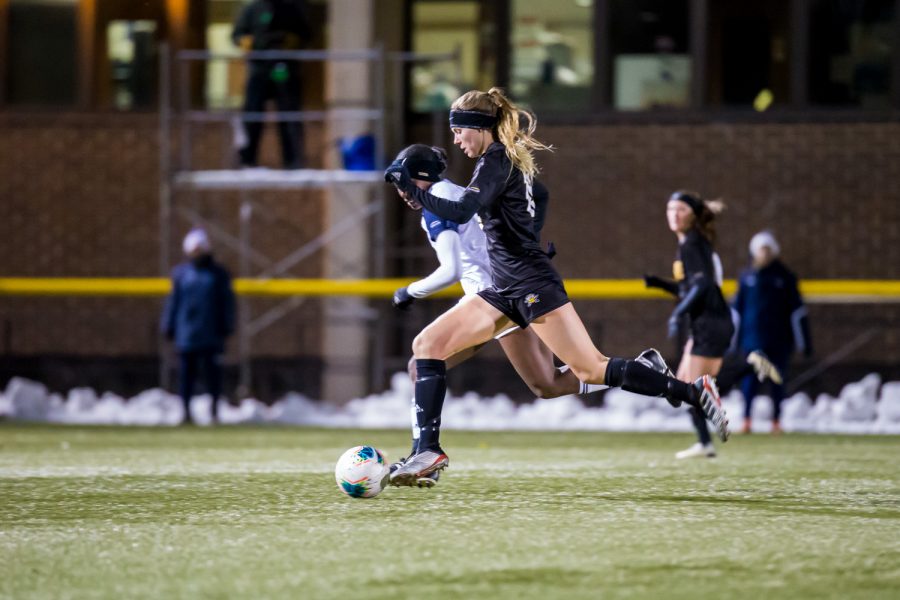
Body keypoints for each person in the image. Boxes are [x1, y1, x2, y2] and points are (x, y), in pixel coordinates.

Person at [384, 88, 729, 486]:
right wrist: (525, 233)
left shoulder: (496, 160)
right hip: (504, 286)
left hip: (530, 282)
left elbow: (463, 210)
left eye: (460, 131)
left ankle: (691, 392)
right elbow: (534, 198)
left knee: (591, 368)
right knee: (428, 347)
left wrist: (413, 191)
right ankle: (426, 451)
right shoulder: (498, 160)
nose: (457, 140)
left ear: (480, 129)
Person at [644, 191, 735, 459]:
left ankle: (749, 365)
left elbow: (703, 285)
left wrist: (677, 314)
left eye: (681, 209)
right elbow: (691, 287)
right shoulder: (691, 243)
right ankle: (705, 443)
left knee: (695, 388)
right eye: (670, 208)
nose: (673, 214)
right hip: (706, 324)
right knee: (685, 386)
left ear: (693, 215)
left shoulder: (692, 243)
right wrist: (660, 284)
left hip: (710, 324)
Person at [734, 231, 812, 434]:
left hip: (779, 340)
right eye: (761, 249)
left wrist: (804, 343)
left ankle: (776, 421)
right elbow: (737, 311)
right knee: (750, 381)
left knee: (777, 380)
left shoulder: (785, 277)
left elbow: (797, 312)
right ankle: (746, 420)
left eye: (768, 249)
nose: (764, 254)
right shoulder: (747, 277)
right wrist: (732, 341)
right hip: (753, 340)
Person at [161, 229, 236, 425]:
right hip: (187, 333)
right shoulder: (181, 274)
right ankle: (185, 412)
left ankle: (214, 412)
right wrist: (168, 324)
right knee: (186, 376)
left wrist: (227, 325)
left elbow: (227, 302)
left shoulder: (218, 274)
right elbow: (174, 302)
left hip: (211, 332)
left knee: (213, 375)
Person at [232, 0, 311, 169]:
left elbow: (307, 34)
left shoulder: (292, 8)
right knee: (252, 113)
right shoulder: (252, 9)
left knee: (289, 113)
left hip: (284, 69)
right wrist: (245, 41)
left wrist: (292, 41)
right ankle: (247, 158)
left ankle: (293, 159)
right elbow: (237, 35)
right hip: (259, 69)